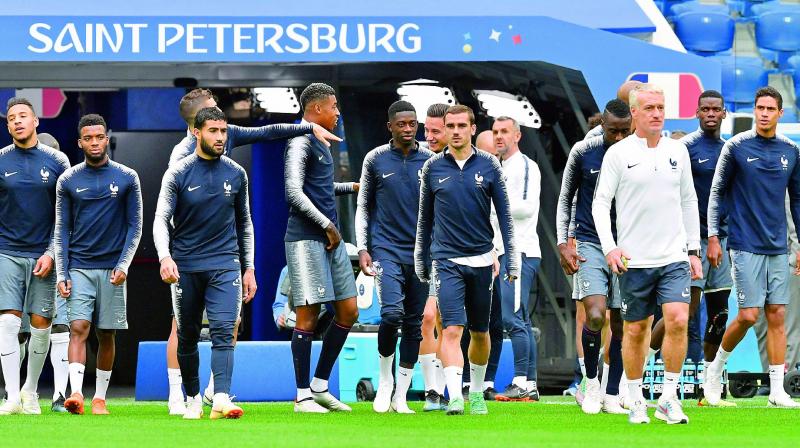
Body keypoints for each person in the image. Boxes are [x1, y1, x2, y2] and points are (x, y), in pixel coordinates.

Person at [165, 88, 341, 415]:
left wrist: (307, 127)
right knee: (182, 327)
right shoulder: (181, 158)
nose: (221, 120)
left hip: (223, 256)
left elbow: (267, 132)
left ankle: (215, 390)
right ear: (195, 123)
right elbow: (171, 214)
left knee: (228, 322)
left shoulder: (227, 139)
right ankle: (179, 394)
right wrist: (172, 254)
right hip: (188, 256)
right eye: (213, 113)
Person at [592, 84, 702, 425]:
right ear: (635, 112)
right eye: (650, 108)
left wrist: (693, 249)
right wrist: (610, 247)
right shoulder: (618, 154)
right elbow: (600, 204)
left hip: (674, 257)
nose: (656, 113)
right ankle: (636, 399)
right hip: (634, 261)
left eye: (661, 107)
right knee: (635, 331)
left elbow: (689, 201)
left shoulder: (677, 151)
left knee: (678, 320)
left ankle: (668, 397)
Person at [154, 107, 257, 420]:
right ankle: (194, 398)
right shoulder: (178, 172)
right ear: (197, 132)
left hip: (225, 263)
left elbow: (245, 222)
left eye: (224, 131)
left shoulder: (237, 173)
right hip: (185, 266)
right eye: (213, 131)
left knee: (225, 329)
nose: (220, 137)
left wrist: (249, 267)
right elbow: (160, 219)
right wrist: (165, 256)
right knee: (187, 335)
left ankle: (222, 397)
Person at [415, 105, 518, 415]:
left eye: (462, 125)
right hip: (446, 260)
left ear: (473, 129)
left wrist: (511, 259)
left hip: (483, 260)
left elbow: (505, 217)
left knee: (480, 333)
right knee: (450, 330)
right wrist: (422, 259)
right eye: (451, 125)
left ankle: (475, 391)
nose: (456, 130)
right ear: (444, 130)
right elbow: (424, 220)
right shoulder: (433, 168)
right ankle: (455, 395)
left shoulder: (489, 166)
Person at [703, 87, 800, 408]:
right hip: (744, 244)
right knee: (747, 315)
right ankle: (715, 370)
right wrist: (714, 236)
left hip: (779, 247)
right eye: (759, 107)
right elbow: (717, 193)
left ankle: (776, 391)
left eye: (770, 108)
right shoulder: (736, 147)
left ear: (780, 114)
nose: (764, 113)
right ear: (755, 110)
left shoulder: (791, 150)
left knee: (777, 314)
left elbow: (797, 201)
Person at [651, 91, 735, 407]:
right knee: (682, 313)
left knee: (720, 316)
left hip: (724, 242)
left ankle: (708, 387)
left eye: (717, 109)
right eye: (706, 109)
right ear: (697, 112)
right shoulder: (684, 149)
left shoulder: (731, 150)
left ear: (724, 113)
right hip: (691, 242)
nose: (711, 114)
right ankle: (642, 364)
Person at [55, 114, 143, 415]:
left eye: (99, 137)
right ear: (80, 142)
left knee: (107, 333)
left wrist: (124, 264)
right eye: (88, 138)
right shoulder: (67, 179)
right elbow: (61, 228)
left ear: (107, 138)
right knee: (78, 327)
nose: (94, 143)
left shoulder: (128, 177)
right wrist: (62, 272)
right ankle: (77, 394)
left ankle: (100, 398)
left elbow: (135, 226)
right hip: (79, 266)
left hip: (113, 269)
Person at [355, 101, 434, 413]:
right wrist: (364, 248)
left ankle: (401, 393)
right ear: (390, 126)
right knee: (391, 315)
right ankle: (384, 380)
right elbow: (363, 206)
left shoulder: (430, 160)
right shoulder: (375, 159)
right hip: (386, 249)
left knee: (414, 324)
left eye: (412, 123)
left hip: (421, 254)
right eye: (401, 124)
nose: (407, 128)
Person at [284, 83, 359, 413]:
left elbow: (320, 188)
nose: (337, 111)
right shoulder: (300, 141)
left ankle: (320, 385)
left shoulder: (321, 142)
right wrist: (327, 225)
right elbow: (293, 192)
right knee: (308, 315)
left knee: (348, 311)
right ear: (315, 109)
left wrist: (350, 187)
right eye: (333, 106)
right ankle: (302, 396)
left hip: (332, 240)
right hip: (306, 238)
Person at [556, 99, 632, 415]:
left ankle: (612, 392)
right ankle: (589, 384)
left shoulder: (639, 153)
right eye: (613, 131)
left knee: (622, 321)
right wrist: (563, 243)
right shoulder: (583, 151)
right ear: (602, 125)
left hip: (629, 245)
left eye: (624, 131)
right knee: (596, 315)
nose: (618, 137)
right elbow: (565, 198)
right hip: (589, 242)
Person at [0, 97, 70, 416]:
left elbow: (67, 215)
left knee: (41, 327)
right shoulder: (0, 160)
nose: (16, 121)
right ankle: (12, 396)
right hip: (7, 253)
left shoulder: (58, 162)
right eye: (11, 118)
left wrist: (52, 253)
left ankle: (30, 391)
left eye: (23, 116)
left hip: (45, 256)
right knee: (8, 324)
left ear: (36, 121)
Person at [488, 116, 542, 403]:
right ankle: (529, 383)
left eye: (505, 132)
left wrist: (491, 204)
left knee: (512, 317)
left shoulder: (525, 166)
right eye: (495, 132)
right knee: (517, 316)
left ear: (517, 136)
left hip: (519, 250)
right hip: (504, 251)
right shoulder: (500, 167)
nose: (499, 136)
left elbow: (526, 208)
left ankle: (521, 381)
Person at [36, 132, 72, 413]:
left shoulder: (71, 185)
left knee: (61, 327)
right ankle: (25, 392)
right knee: (22, 332)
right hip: (23, 261)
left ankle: (60, 395)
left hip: (59, 266)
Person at [418, 103, 451, 410]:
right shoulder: (422, 163)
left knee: (441, 320)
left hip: (453, 254)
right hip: (421, 253)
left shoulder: (466, 164)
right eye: (425, 130)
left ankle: (444, 390)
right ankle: (432, 391)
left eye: (435, 130)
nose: (428, 136)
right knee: (426, 319)